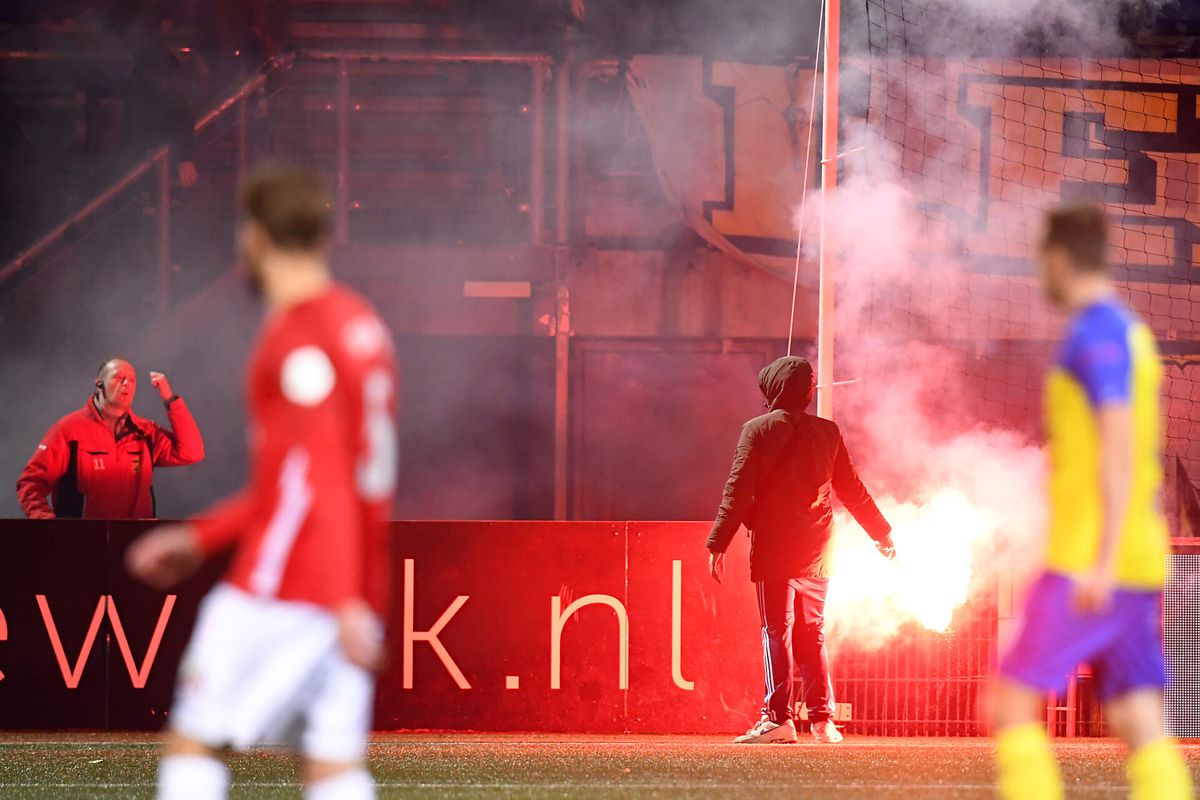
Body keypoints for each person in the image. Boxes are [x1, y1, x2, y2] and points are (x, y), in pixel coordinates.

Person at [126, 164, 398, 800]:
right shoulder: (361, 326)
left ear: (254, 236)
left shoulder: (300, 339)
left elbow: (321, 474)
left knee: (195, 744)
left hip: (288, 585)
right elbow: (316, 478)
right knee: (333, 768)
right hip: (350, 578)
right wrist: (201, 536)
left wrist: (337, 598)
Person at [993, 204, 1193, 799]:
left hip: (1091, 559)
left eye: (1039, 262)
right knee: (1138, 719)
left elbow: (1118, 443)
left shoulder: (1097, 333)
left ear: (1057, 259)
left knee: (1008, 703)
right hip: (1131, 555)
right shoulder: (1127, 330)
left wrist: (1100, 558)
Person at [706, 356, 895, 744]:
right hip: (819, 546)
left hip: (775, 546)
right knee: (813, 633)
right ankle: (824, 722)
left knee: (776, 630)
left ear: (774, 389)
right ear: (808, 392)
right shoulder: (828, 432)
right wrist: (882, 533)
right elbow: (852, 491)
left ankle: (777, 718)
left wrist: (718, 542)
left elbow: (737, 490)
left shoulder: (755, 430)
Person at [17, 358, 205, 518]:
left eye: (132, 380)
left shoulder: (145, 432)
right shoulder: (68, 430)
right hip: (82, 548)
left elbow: (192, 452)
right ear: (99, 384)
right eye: (118, 377)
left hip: (135, 548)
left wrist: (170, 399)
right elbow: (30, 483)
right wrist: (46, 524)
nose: (126, 384)